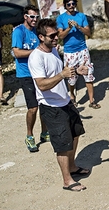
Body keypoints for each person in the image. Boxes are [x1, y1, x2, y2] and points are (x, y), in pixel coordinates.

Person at [28, 18, 90, 192]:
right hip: (51, 106)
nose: (57, 37)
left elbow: (60, 71)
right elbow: (41, 85)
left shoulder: (53, 50)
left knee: (76, 133)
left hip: (64, 101)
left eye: (56, 33)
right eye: (52, 35)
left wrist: (75, 71)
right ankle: (67, 180)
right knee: (63, 143)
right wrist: (62, 75)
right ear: (41, 37)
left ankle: (72, 167)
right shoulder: (36, 57)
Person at [12, 5, 49, 152]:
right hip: (25, 74)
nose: (35, 20)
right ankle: (29, 136)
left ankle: (44, 132)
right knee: (33, 107)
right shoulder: (18, 31)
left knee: (44, 103)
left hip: (38, 72)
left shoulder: (36, 31)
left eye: (36, 17)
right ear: (25, 17)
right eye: (32, 17)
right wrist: (35, 51)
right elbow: (16, 52)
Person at [56, 0, 101, 109]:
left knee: (88, 73)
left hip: (82, 50)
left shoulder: (81, 16)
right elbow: (60, 36)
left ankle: (92, 100)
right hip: (70, 52)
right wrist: (69, 28)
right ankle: (72, 96)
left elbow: (88, 33)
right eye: (69, 4)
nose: (71, 6)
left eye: (73, 4)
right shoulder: (61, 19)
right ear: (65, 6)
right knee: (71, 76)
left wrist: (79, 27)